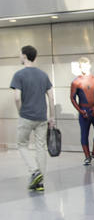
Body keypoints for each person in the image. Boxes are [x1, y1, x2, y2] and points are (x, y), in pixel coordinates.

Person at [10, 45, 55, 191]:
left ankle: (35, 172)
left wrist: (20, 112)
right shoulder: (43, 75)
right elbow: (51, 97)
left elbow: (17, 98)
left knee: (22, 144)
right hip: (41, 117)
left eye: (20, 54)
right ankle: (40, 183)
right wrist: (51, 116)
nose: (19, 56)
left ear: (24, 56)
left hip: (26, 116)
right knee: (40, 147)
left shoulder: (19, 75)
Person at [70, 57, 94, 165]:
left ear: (89, 66)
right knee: (84, 134)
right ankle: (87, 156)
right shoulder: (76, 82)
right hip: (84, 112)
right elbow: (72, 98)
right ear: (80, 67)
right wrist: (80, 111)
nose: (84, 68)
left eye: (86, 66)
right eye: (82, 66)